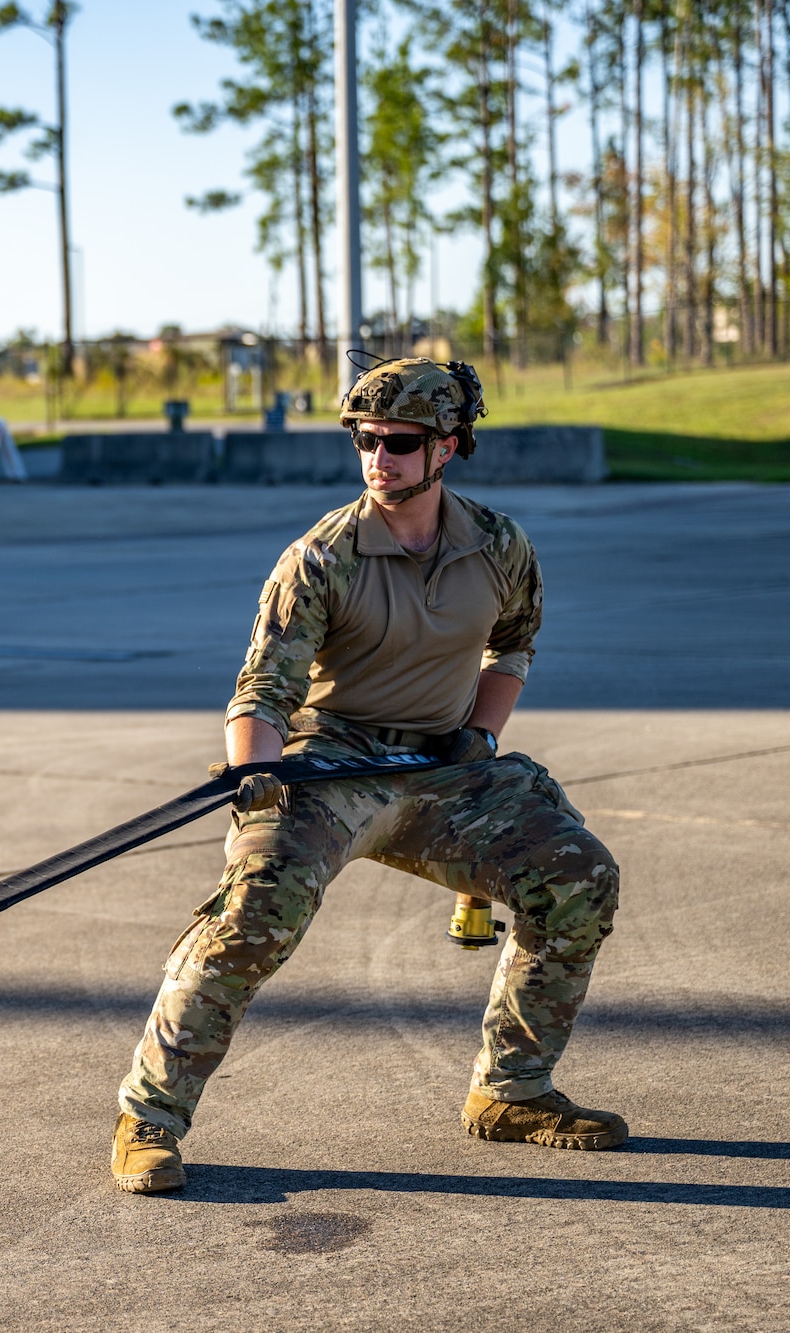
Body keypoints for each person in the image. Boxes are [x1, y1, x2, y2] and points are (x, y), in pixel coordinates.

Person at [110, 357, 625, 1195]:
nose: (377, 458)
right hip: (329, 768)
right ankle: (149, 1115)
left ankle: (512, 1091)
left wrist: (479, 737)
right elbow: (262, 691)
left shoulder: (497, 545)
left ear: (448, 448)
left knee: (581, 876)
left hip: (439, 768)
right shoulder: (323, 557)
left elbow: (515, 643)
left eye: (399, 442)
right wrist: (256, 774)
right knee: (255, 908)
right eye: (364, 440)